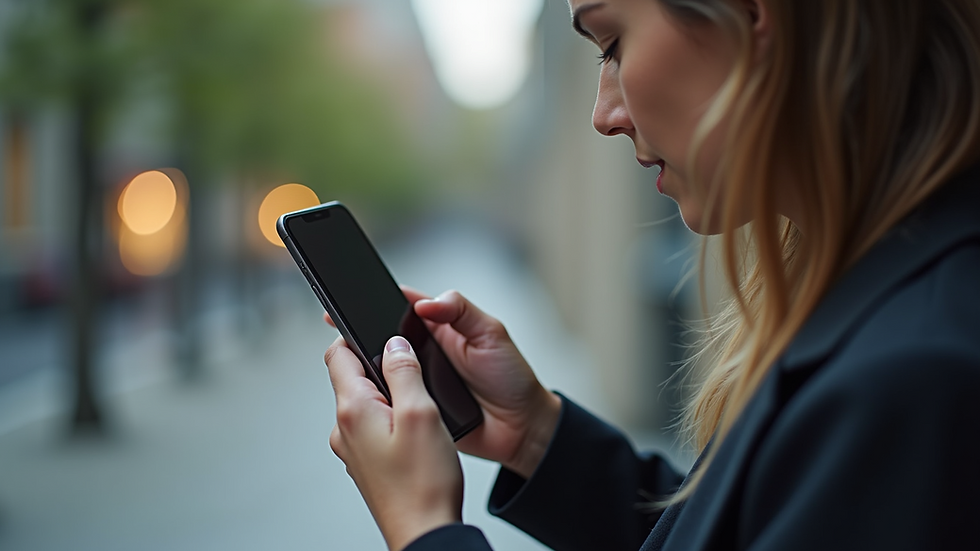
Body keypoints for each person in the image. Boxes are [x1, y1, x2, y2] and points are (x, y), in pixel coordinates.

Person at [322, 0, 980, 549]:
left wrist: (424, 526)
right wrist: (540, 436)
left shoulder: (912, 382)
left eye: (611, 45)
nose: (603, 114)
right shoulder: (888, 305)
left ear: (753, 14)